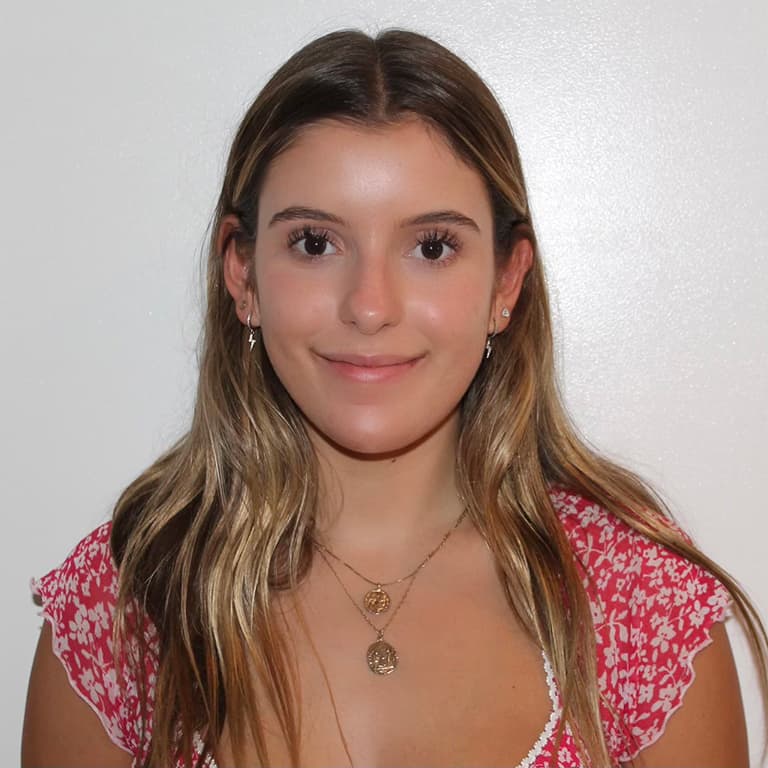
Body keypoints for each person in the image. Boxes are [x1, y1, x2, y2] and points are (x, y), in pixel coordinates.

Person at [21, 27, 766, 768]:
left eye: (432, 246)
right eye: (315, 243)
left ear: (507, 284)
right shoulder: (128, 602)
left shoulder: (638, 603)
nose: (370, 306)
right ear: (242, 277)